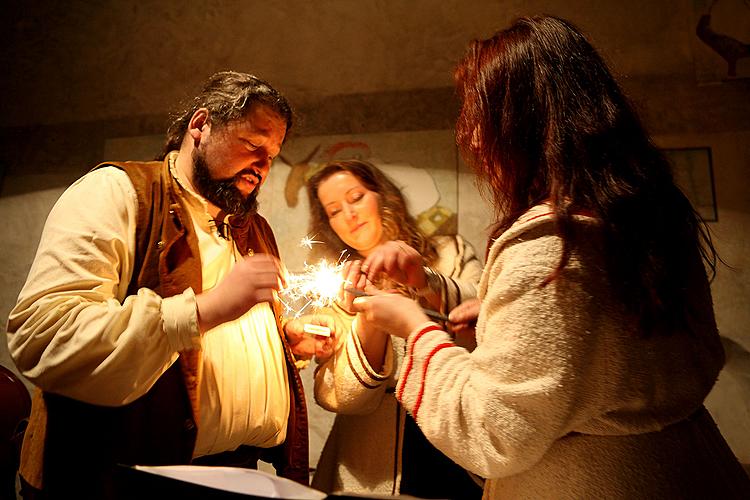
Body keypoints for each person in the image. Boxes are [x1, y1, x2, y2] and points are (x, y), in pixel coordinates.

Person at [349, 15, 750, 499]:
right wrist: (446, 293)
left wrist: (413, 326)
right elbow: (583, 342)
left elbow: (491, 430)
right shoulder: (646, 213)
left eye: (482, 117)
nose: (474, 140)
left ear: (527, 120)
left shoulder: (556, 244)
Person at [6, 71, 334, 498]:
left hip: (242, 475)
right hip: (124, 483)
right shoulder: (118, 192)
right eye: (252, 145)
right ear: (200, 126)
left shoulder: (254, 229)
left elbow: (217, 351)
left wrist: (283, 343)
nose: (262, 166)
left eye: (271, 155)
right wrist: (203, 309)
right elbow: (43, 336)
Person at [303, 160, 484, 498]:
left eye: (356, 197)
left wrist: (424, 282)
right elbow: (339, 398)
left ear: (380, 195)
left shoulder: (449, 252)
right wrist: (370, 322)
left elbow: (487, 317)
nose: (349, 214)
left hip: (456, 446)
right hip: (372, 465)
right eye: (334, 210)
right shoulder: (335, 290)